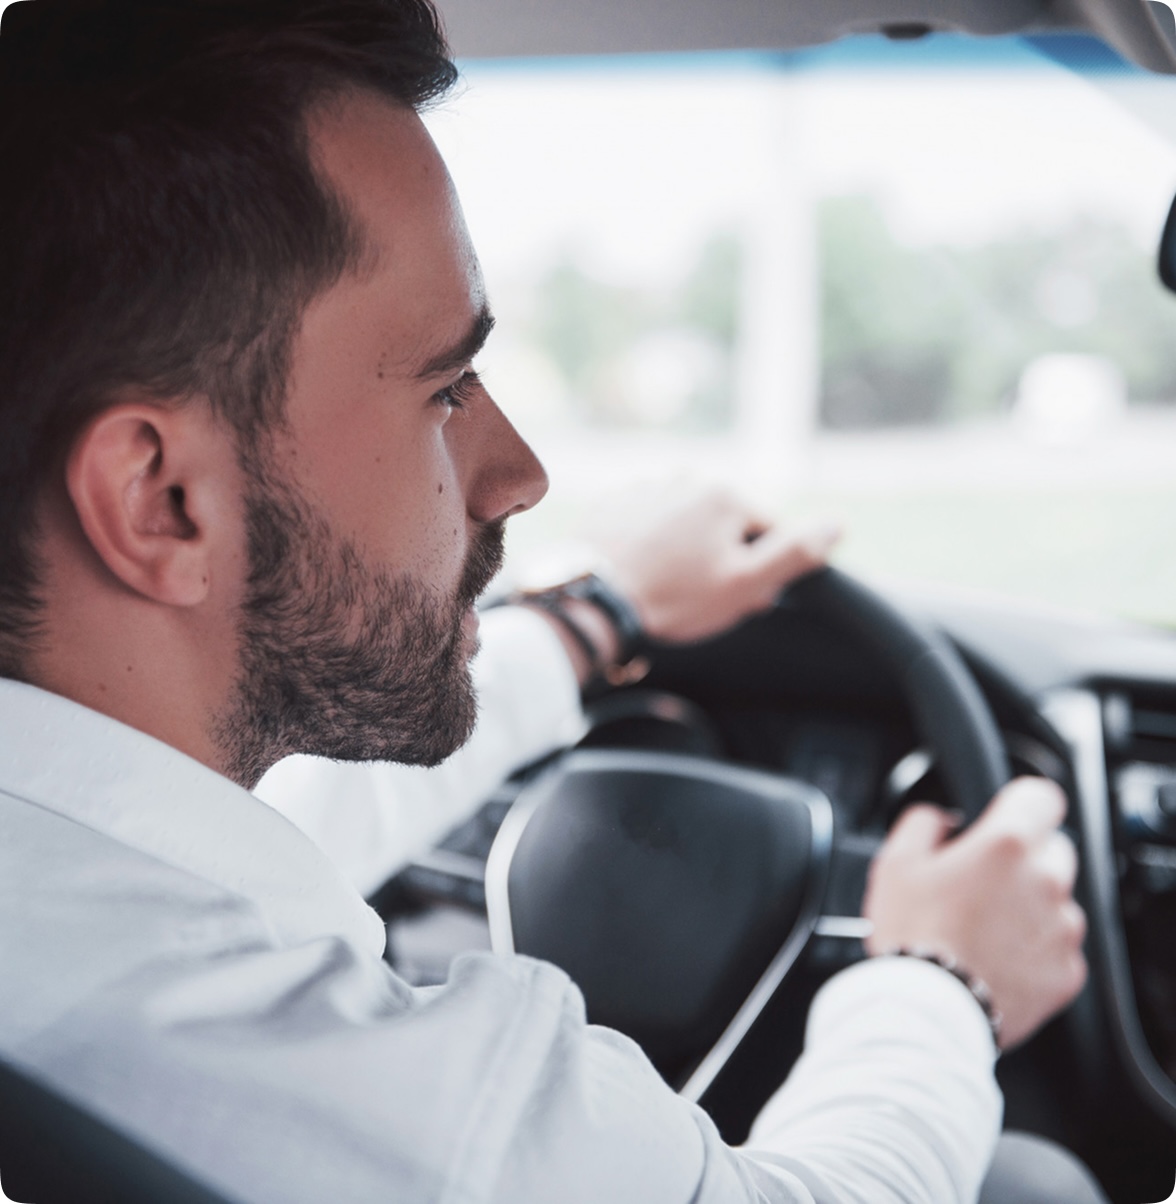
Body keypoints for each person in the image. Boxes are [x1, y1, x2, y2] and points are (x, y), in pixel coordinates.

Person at [0, 1, 1094, 1201]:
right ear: (161, 501)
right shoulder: (380, 1105)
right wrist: (942, 976)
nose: (521, 470)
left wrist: (599, 623)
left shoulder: (71, 884)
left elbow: (274, 831)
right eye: (445, 389)